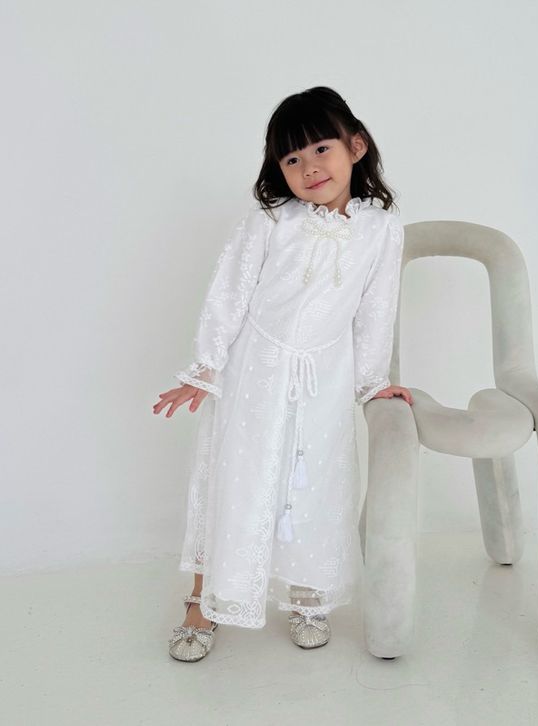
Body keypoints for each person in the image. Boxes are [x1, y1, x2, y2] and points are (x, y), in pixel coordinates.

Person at [153, 86, 413, 662]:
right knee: (238, 480)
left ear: (356, 147)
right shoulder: (271, 220)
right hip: (255, 371)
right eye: (291, 159)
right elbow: (229, 293)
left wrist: (372, 380)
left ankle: (307, 591)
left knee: (315, 481)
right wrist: (206, 366)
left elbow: (376, 307)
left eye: (321, 149)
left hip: (325, 375)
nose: (309, 167)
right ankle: (204, 601)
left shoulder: (382, 228)